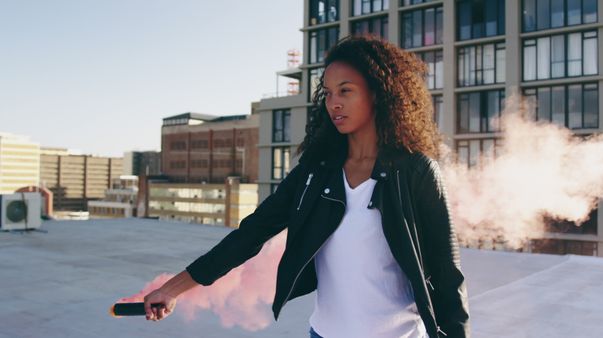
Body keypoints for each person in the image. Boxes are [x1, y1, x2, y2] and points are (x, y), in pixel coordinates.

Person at [142, 35, 470, 338]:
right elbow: (251, 233)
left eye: (345, 90)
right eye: (327, 93)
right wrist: (172, 289)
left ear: (377, 93)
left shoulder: (415, 172)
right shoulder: (317, 173)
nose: (333, 103)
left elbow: (446, 275)